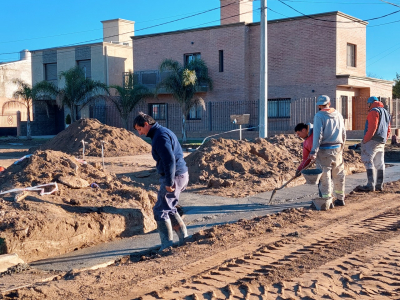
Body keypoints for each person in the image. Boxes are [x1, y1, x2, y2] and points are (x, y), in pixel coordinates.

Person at [133, 112, 189, 251]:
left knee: (160, 210)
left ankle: (166, 246)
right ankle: (184, 239)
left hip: (174, 177)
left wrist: (169, 182)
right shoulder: (162, 132)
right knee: (169, 208)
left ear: (146, 124)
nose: (140, 134)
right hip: (180, 175)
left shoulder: (160, 137)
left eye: (140, 129)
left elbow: (169, 160)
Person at [309, 95, 346, 210]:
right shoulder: (338, 115)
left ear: (319, 105)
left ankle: (327, 200)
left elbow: (318, 135)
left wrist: (314, 151)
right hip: (337, 148)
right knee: (338, 174)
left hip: (324, 150)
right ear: (329, 103)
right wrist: (342, 147)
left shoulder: (319, 116)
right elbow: (343, 132)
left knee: (325, 176)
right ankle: (340, 198)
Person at [356, 96, 391, 192]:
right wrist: (385, 139)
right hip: (382, 141)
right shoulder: (385, 112)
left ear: (371, 103)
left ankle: (370, 185)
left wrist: (365, 140)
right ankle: (379, 185)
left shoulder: (373, 112)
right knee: (379, 162)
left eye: (368, 104)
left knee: (368, 160)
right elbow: (388, 129)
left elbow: (372, 127)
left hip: (372, 140)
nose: (367, 106)